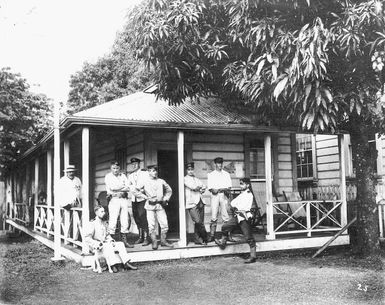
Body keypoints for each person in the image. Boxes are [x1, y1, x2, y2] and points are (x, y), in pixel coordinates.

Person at [214, 178, 258, 264]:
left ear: (247, 185)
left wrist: (236, 206)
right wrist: (235, 205)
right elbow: (234, 202)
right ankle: (223, 241)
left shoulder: (249, 194)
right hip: (238, 216)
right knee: (225, 226)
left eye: (242, 184)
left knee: (248, 237)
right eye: (240, 184)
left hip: (244, 217)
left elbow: (242, 206)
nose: (241, 185)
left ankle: (253, 256)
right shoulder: (243, 194)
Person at [85, 205, 138, 273]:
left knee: (120, 244)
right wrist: (96, 244)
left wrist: (111, 240)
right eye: (101, 211)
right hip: (98, 245)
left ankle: (126, 263)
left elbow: (107, 235)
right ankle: (113, 265)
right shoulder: (93, 223)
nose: (104, 213)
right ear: (96, 213)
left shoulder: (104, 222)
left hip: (106, 243)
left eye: (104, 211)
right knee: (108, 246)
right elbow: (87, 238)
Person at [136, 164, 173, 250]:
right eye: (152, 171)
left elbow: (169, 190)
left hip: (160, 205)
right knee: (151, 225)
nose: (154, 172)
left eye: (155, 170)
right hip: (150, 206)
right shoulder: (144, 181)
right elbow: (135, 190)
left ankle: (163, 241)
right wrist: (146, 197)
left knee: (164, 224)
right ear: (148, 172)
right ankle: (154, 241)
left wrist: (165, 199)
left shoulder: (161, 181)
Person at [104, 160, 133, 248]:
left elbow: (128, 187)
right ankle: (111, 241)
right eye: (113, 168)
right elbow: (111, 188)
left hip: (123, 199)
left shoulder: (123, 175)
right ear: (111, 168)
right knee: (113, 219)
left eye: (117, 168)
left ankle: (124, 241)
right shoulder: (108, 176)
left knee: (125, 219)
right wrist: (121, 188)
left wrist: (119, 189)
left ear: (119, 168)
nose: (115, 170)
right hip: (114, 199)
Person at [207, 157, 232, 242]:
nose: (220, 165)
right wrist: (214, 189)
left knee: (225, 216)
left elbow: (228, 187)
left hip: (223, 195)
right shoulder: (211, 174)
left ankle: (227, 235)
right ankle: (212, 235)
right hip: (215, 196)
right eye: (218, 163)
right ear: (215, 164)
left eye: (221, 163)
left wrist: (222, 189)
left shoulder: (226, 174)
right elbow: (210, 188)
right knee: (214, 215)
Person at [127, 157, 151, 246]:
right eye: (132, 164)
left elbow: (147, 184)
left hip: (143, 199)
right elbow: (129, 186)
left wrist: (140, 188)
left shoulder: (145, 173)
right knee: (136, 216)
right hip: (134, 199)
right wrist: (134, 188)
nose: (134, 166)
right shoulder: (130, 176)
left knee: (143, 216)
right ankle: (140, 237)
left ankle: (146, 238)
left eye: (135, 164)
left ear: (139, 164)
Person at [184, 162, 208, 245]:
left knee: (200, 221)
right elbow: (193, 187)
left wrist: (200, 188)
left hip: (200, 201)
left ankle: (197, 239)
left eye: (192, 169)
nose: (190, 171)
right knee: (197, 221)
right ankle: (205, 236)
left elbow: (204, 186)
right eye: (189, 169)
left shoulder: (197, 179)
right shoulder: (185, 179)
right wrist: (198, 188)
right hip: (192, 203)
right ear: (186, 170)